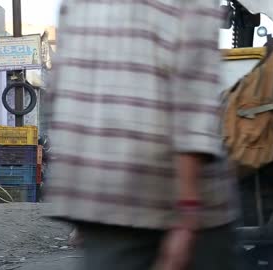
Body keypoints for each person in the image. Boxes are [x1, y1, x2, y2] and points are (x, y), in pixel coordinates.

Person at [44, 1, 238, 270]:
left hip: (96, 196)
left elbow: (59, 91)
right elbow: (194, 100)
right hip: (168, 196)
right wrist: (189, 208)